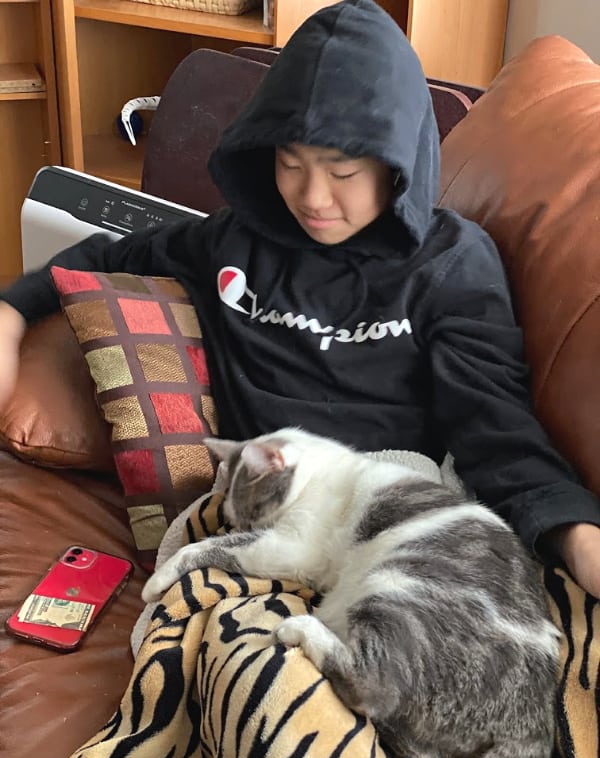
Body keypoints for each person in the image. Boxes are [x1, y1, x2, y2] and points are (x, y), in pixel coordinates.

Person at [1, 0, 599, 597]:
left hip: (384, 515)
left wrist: (576, 535)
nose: (312, 198)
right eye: (291, 164)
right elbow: (107, 255)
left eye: (342, 174)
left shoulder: (451, 264)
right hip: (255, 513)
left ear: (396, 167)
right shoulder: (234, 238)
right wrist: (8, 316)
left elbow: (495, 425)